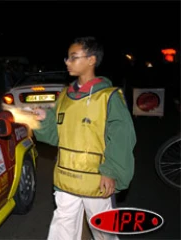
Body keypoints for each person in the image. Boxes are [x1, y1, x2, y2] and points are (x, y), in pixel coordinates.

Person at [33, 36, 136, 240]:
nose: (67, 62)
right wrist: (45, 120)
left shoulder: (109, 96)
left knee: (102, 228)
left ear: (91, 60)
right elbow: (55, 137)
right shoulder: (64, 96)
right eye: (67, 58)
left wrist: (111, 171)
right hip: (65, 179)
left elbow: (122, 139)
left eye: (73, 57)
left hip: (96, 179)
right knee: (62, 224)